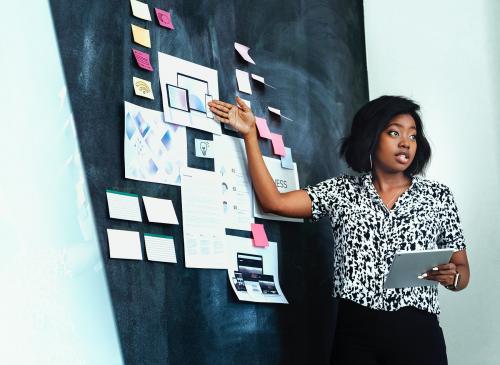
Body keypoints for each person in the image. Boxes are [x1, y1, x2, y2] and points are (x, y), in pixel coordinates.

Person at [208, 95, 470, 365]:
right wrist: (250, 135)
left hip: (417, 333)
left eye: (413, 137)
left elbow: (462, 269)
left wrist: (454, 278)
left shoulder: (438, 196)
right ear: (371, 136)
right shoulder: (341, 191)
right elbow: (273, 202)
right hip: (355, 333)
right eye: (394, 133)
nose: (405, 143)